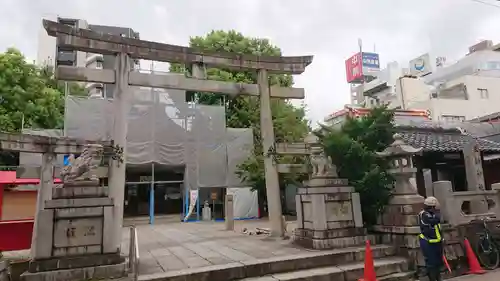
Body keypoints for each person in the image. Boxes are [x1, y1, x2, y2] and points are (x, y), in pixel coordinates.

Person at [418, 196, 444, 281]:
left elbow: (439, 228)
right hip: (428, 242)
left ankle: (438, 278)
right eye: (435, 206)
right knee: (431, 263)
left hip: (437, 242)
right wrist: (437, 214)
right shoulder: (424, 214)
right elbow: (435, 220)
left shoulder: (433, 214)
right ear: (431, 206)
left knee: (438, 263)